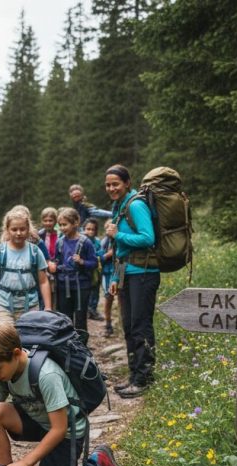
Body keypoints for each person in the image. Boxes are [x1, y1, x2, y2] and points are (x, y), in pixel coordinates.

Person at [0, 322, 126, 466]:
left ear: (16, 353)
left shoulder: (47, 374)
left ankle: (98, 463)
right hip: (38, 419)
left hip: (65, 431)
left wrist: (24, 463)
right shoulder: (2, 374)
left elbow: (59, 430)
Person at [104, 164, 158, 398]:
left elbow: (148, 238)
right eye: (108, 185)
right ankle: (135, 376)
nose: (111, 188)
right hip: (127, 273)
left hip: (144, 273)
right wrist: (116, 277)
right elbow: (121, 250)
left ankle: (144, 379)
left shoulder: (135, 205)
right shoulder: (120, 206)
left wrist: (118, 234)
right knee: (128, 326)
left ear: (127, 183)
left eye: (115, 184)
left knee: (140, 325)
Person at [0, 206, 52, 326]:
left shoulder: (35, 252)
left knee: (28, 337)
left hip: (31, 306)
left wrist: (48, 307)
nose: (19, 233)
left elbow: (43, 281)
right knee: (6, 337)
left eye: (22, 229)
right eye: (14, 229)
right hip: (4, 306)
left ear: (28, 229)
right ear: (7, 230)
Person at [47, 207, 97, 346]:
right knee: (65, 318)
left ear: (75, 222)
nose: (62, 228)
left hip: (81, 286)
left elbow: (94, 263)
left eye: (65, 224)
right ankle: (68, 346)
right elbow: (57, 260)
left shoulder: (85, 242)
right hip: (63, 285)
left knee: (80, 318)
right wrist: (53, 265)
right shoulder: (60, 242)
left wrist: (82, 262)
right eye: (60, 225)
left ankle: (81, 347)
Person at [37, 207, 59, 310]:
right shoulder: (39, 235)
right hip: (43, 266)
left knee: (55, 292)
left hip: (56, 266)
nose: (48, 223)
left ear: (55, 221)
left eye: (50, 220)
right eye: (45, 221)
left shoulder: (59, 234)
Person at [82, 217, 103, 322]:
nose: (90, 232)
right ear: (83, 229)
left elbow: (100, 253)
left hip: (95, 271)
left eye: (92, 229)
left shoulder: (97, 242)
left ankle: (93, 310)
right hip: (84, 271)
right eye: (88, 229)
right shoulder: (81, 240)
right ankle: (85, 311)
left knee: (95, 291)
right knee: (85, 292)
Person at [99, 219, 117, 338]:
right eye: (107, 228)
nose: (109, 230)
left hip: (118, 271)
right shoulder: (104, 242)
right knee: (108, 297)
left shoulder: (119, 240)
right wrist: (107, 254)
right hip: (107, 273)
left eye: (111, 227)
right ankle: (108, 324)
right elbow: (99, 256)